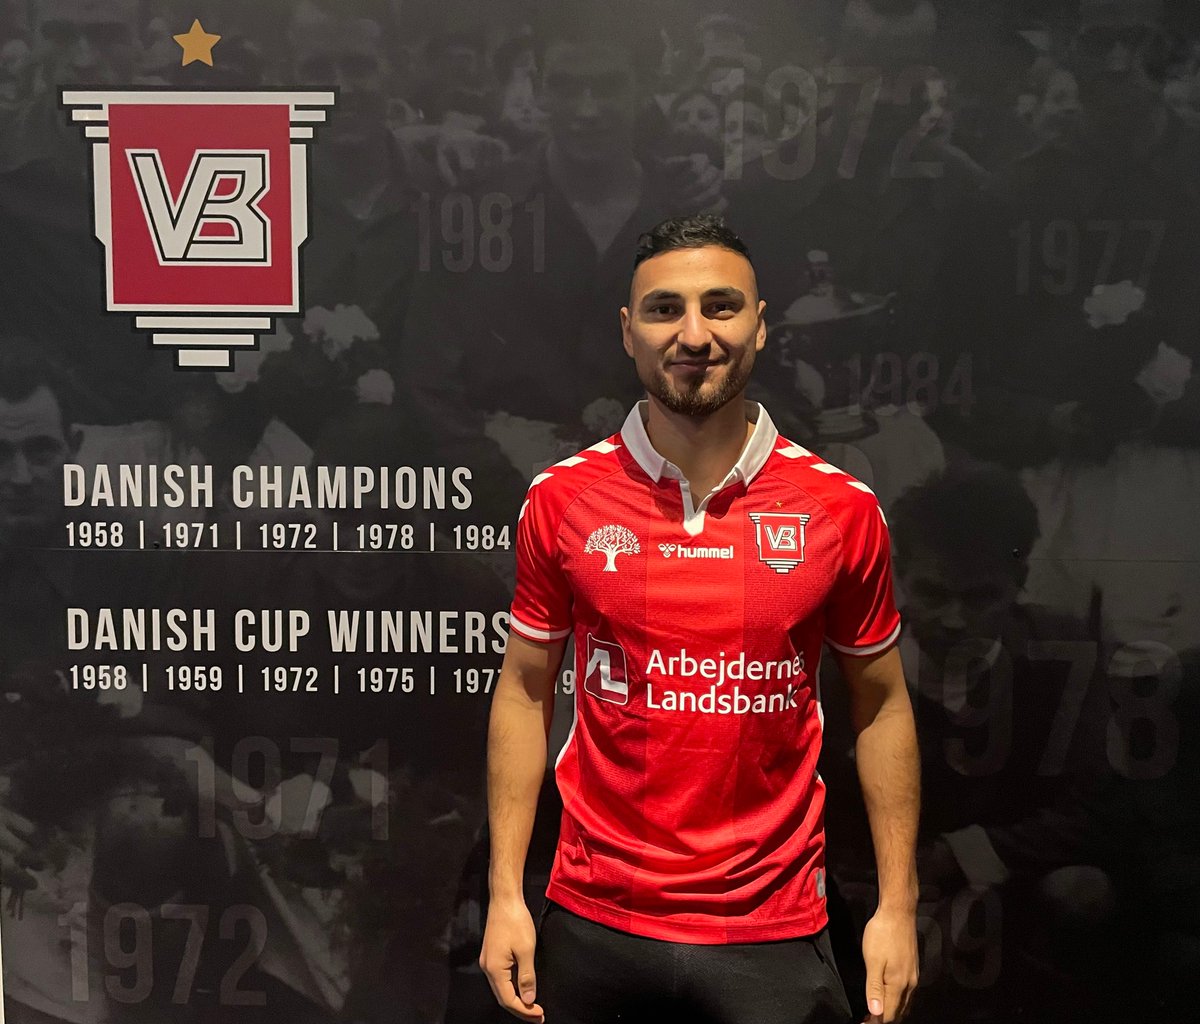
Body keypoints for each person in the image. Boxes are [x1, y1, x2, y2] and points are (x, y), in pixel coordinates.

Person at [478, 214, 921, 1024]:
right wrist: (506, 893)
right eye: (664, 309)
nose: (693, 334)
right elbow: (523, 690)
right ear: (628, 332)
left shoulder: (840, 508)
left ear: (761, 324)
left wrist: (898, 906)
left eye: (720, 306)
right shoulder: (562, 499)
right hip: (594, 922)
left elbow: (883, 704)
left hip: (774, 933)